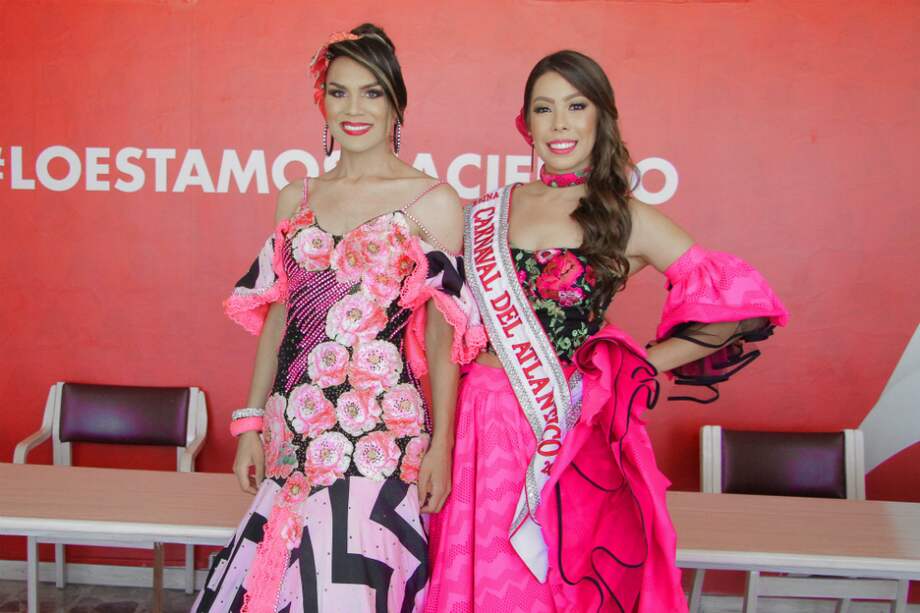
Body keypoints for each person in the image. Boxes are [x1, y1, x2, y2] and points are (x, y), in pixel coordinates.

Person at [425, 50, 789, 613]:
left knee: (547, 583)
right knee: (477, 579)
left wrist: (639, 361)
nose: (560, 123)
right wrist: (440, 439)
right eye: (544, 109)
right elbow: (447, 327)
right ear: (527, 123)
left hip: (561, 425)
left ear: (601, 117)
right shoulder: (485, 211)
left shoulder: (625, 217)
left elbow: (736, 302)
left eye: (576, 106)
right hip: (476, 424)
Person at [194, 23, 485, 613]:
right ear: (321, 102)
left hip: (383, 436)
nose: (354, 109)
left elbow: (441, 331)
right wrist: (251, 426)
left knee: (354, 588)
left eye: (372, 92)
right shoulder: (294, 198)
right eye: (339, 91)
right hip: (293, 432)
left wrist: (442, 447)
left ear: (397, 103)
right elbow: (278, 320)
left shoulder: (432, 201)